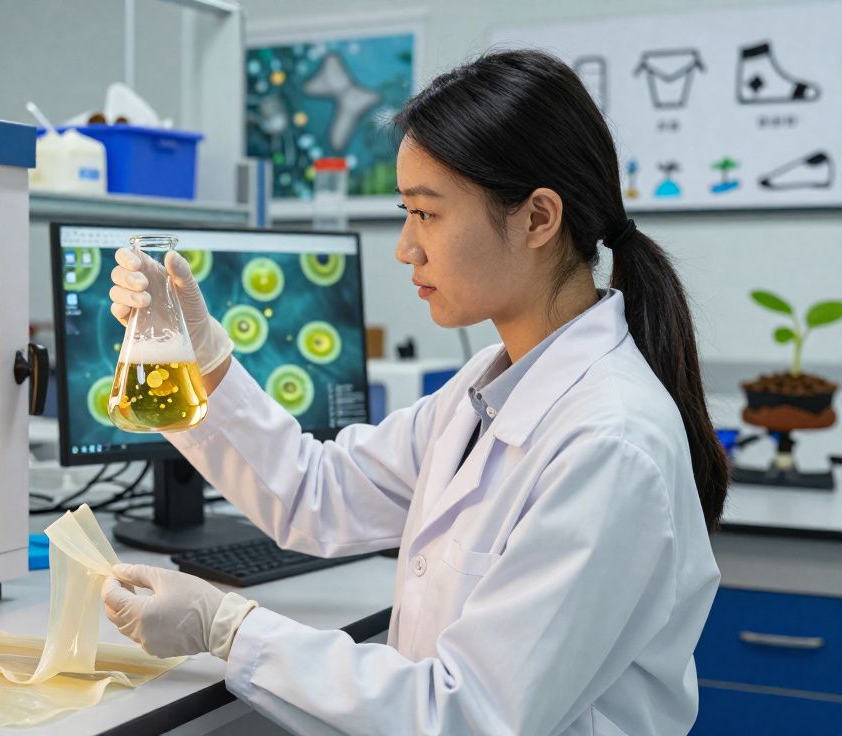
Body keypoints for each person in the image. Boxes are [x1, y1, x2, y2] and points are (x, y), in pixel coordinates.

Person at [99, 48, 728, 735]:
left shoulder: (609, 443)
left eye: (427, 214)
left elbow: (468, 713)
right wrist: (204, 360)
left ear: (538, 219)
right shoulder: (486, 387)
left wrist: (228, 628)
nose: (406, 247)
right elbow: (319, 495)